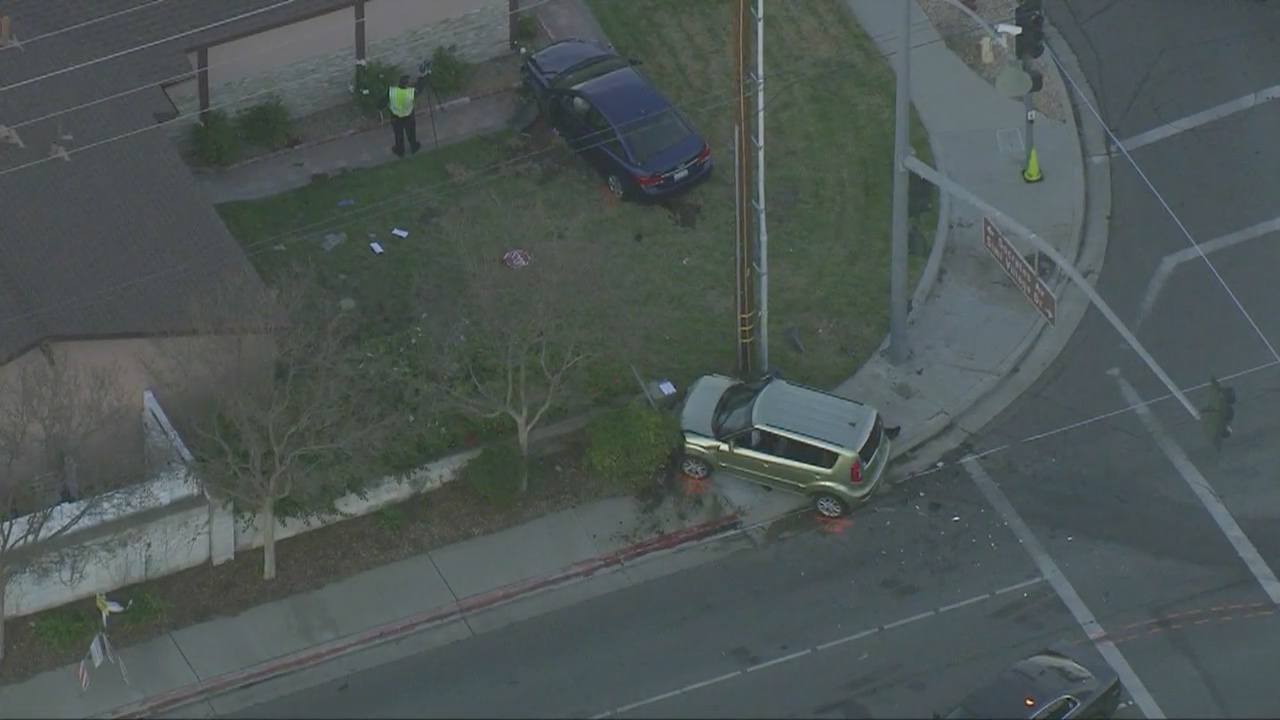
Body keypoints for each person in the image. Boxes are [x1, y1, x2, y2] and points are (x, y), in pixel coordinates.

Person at [380, 73, 430, 157]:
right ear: (407, 84)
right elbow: (420, 88)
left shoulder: (392, 91)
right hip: (408, 115)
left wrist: (379, 108)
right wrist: (423, 77)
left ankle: (400, 150)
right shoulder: (411, 92)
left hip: (396, 116)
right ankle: (414, 147)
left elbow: (383, 102)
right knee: (411, 133)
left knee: (398, 134)